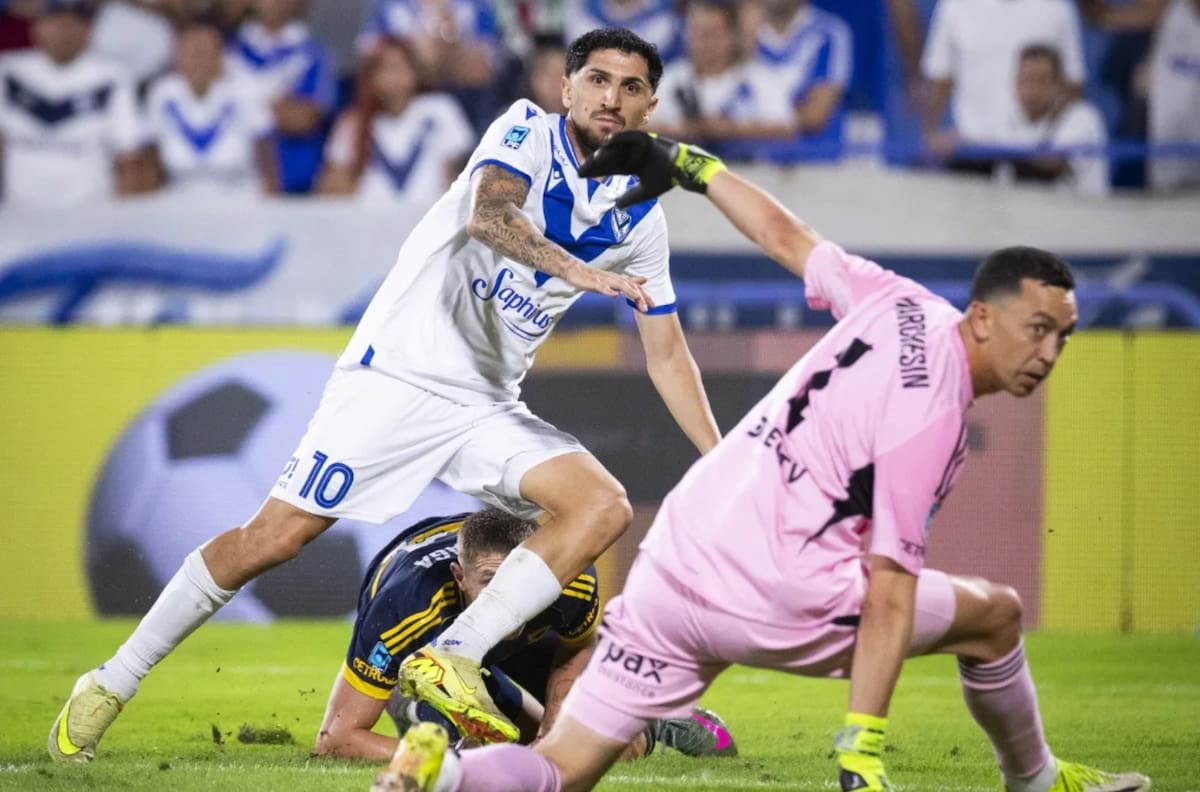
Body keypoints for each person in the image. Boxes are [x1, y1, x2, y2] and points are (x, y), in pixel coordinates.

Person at [372, 131, 1153, 792]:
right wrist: (863, 743)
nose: (1048, 352)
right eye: (1037, 328)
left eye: (1063, 336)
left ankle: (440, 775)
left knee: (565, 767)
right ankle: (1037, 780)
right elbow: (889, 590)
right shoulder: (935, 411)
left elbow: (787, 237)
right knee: (998, 615)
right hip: (777, 589)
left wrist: (695, 168)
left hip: (678, 561)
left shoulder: (899, 302)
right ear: (982, 318)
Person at [48, 27, 722, 764]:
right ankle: (111, 680)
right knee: (273, 540)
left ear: (651, 106)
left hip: (485, 404)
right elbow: (490, 216)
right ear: (567, 88)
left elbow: (666, 352)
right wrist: (580, 272)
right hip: (395, 378)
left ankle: (455, 655)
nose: (611, 97)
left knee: (602, 506)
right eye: (597, 79)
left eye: (630, 87)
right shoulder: (526, 131)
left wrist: (723, 460)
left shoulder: (641, 219)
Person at [313, 507, 735, 761]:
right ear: (459, 577)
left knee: (576, 750)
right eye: (489, 582)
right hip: (428, 646)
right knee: (488, 752)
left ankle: (653, 720)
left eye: (515, 584)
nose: (503, 601)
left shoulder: (567, 579)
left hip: (531, 640)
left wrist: (556, 725)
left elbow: (578, 647)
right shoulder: (406, 610)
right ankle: (420, 701)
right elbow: (335, 741)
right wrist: (454, 761)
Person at [0, 0, 145, 207]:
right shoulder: (8, 70)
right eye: (56, 24)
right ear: (36, 28)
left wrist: (124, 216)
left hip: (89, 213)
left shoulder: (113, 76)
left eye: (74, 25)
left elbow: (129, 154)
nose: (65, 33)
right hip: (20, 212)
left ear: (89, 33)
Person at [920, 0, 1086, 166]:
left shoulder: (1057, 9)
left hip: (1036, 156)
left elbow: (1072, 86)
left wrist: (1047, 141)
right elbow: (939, 78)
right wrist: (929, 138)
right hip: (970, 155)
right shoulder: (955, 6)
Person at [317, 36, 474, 207]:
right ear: (371, 77)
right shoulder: (352, 123)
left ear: (414, 71)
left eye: (399, 67)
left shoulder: (440, 109)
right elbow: (334, 185)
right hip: (372, 217)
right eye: (384, 69)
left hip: (428, 214)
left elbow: (458, 173)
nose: (393, 77)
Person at [144, 16, 278, 197]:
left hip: (238, 196)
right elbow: (149, 156)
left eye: (205, 53)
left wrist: (270, 201)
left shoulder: (245, 91)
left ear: (220, 59)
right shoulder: (162, 94)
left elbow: (266, 154)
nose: (199, 62)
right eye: (192, 53)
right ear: (177, 59)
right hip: (179, 197)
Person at [225, 0, 336, 194]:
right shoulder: (229, 51)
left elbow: (302, 120)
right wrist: (278, 104)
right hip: (236, 181)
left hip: (297, 179)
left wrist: (249, 99)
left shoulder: (314, 53)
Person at [997, 44, 1109, 196]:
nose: (1032, 90)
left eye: (1041, 81)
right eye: (1025, 80)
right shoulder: (1010, 119)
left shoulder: (1082, 116)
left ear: (1059, 85)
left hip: (1079, 209)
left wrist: (1000, 153)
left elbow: (1053, 168)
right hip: (1024, 208)